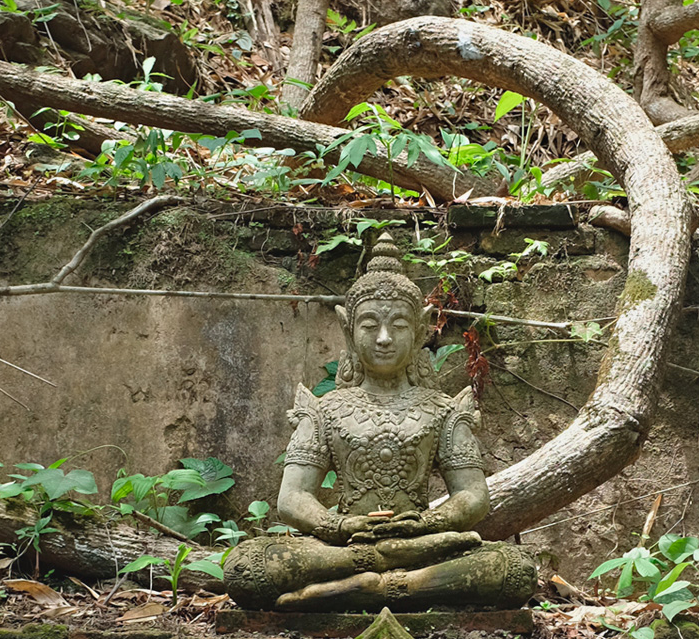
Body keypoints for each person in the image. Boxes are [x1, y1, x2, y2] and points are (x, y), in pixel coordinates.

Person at [222, 233, 536, 610]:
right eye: (370, 325)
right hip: (344, 546)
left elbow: (473, 496)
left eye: (399, 326)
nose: (384, 338)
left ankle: (367, 587)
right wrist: (337, 526)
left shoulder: (443, 409)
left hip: (420, 542)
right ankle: (396, 580)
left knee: (514, 569)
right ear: (347, 329)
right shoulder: (325, 409)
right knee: (246, 566)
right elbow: (291, 498)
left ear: (422, 328)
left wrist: (428, 524)